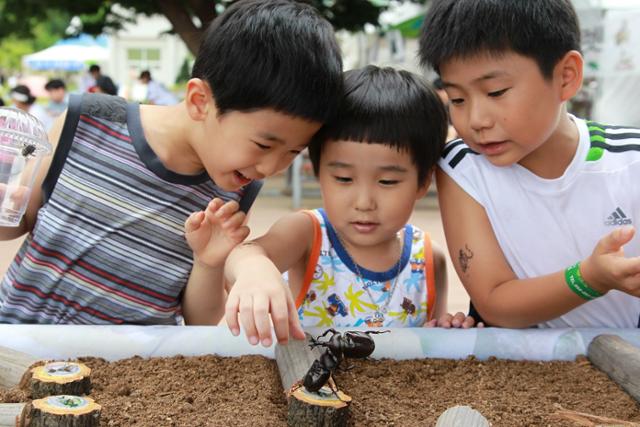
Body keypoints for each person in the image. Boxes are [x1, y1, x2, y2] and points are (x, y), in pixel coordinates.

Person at [0, 0, 343, 325]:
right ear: (199, 101)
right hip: (20, 343)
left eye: (292, 152)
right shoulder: (88, 121)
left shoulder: (235, 193)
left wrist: (208, 263)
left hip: (129, 374)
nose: (271, 168)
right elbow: (16, 222)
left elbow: (200, 319)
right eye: (264, 144)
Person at [201, 65, 480, 347]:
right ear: (319, 173)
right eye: (344, 178)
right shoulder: (309, 235)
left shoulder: (429, 260)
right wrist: (254, 269)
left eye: (387, 181)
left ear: (423, 182)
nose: (364, 202)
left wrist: (447, 329)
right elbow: (244, 254)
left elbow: (429, 345)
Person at [418, 0, 640, 328]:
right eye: (458, 99)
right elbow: (495, 302)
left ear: (566, 77)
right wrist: (589, 278)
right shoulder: (463, 168)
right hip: (519, 371)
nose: (476, 120)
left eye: (496, 92)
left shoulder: (630, 160)